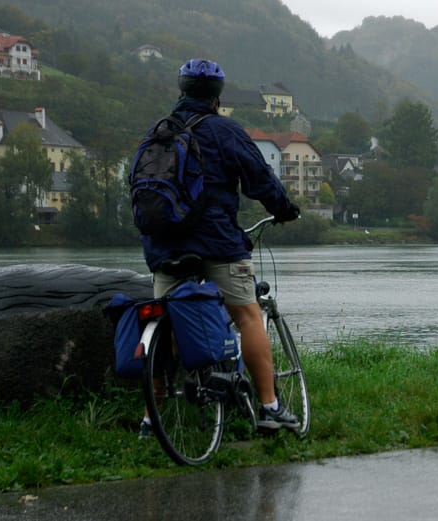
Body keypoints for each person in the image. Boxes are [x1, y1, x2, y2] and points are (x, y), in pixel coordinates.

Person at [138, 58, 301, 437]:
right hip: (218, 243)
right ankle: (269, 407)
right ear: (217, 96)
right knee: (247, 317)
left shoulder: (157, 133)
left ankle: (151, 420)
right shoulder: (224, 131)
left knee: (164, 317)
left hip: (163, 246)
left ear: (181, 91)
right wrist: (285, 209)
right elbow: (260, 179)